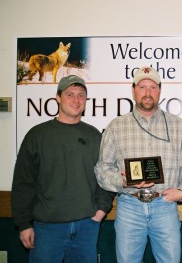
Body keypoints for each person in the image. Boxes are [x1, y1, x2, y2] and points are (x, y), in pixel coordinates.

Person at [94, 66, 182, 263]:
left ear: (160, 90)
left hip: (165, 206)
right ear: (133, 90)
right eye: (142, 87)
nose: (148, 93)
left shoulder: (178, 125)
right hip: (129, 207)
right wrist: (123, 182)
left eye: (153, 87)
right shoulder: (116, 126)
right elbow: (102, 169)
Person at [11, 75, 115, 263]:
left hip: (87, 226)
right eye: (70, 94)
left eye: (81, 95)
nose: (76, 100)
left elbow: (106, 177)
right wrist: (23, 224)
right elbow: (23, 183)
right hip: (47, 228)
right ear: (58, 97)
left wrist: (101, 211)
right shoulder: (37, 135)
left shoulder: (95, 136)